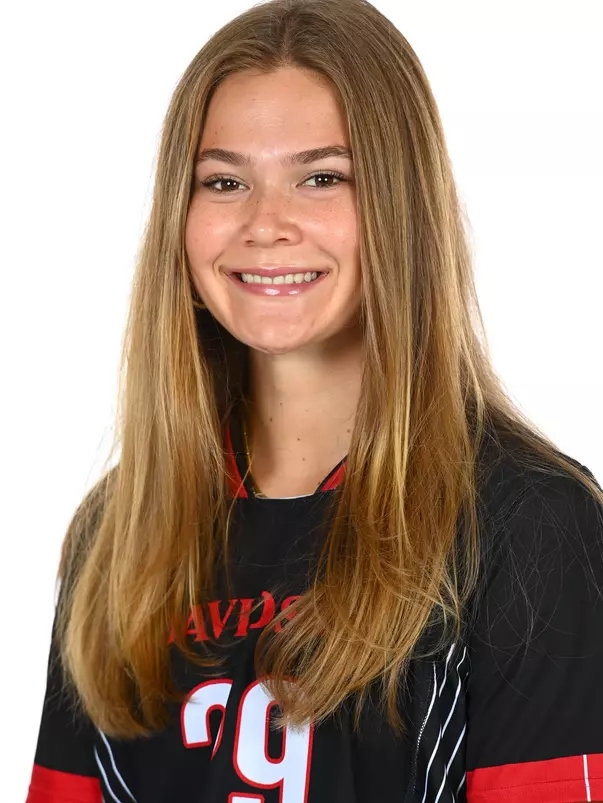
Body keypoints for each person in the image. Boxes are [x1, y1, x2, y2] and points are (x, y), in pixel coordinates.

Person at [26, 0, 603, 801]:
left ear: (399, 208)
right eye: (223, 181)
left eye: (322, 177)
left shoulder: (528, 521)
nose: (266, 224)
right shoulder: (115, 535)